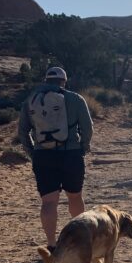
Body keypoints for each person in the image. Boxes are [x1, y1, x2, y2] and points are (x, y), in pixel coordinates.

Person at [19, 65, 94, 250]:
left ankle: (52, 244)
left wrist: (33, 152)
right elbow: (88, 127)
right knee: (75, 197)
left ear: (45, 80)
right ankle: (78, 239)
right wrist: (83, 147)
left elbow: (22, 131)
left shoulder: (31, 100)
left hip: (43, 156)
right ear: (64, 81)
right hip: (71, 154)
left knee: (49, 202)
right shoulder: (75, 99)